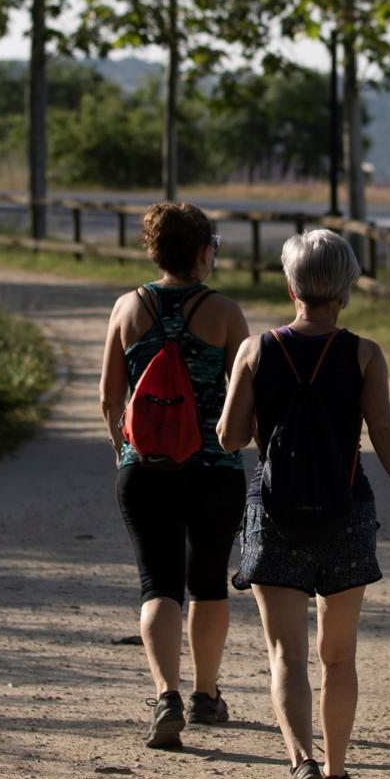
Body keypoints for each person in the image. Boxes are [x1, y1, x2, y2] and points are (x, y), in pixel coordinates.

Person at [216, 229, 390, 779]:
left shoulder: (256, 350)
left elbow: (231, 438)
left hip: (275, 511)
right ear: (347, 289)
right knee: (339, 656)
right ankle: (336, 775)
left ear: (291, 287)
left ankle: (300, 763)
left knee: (286, 655)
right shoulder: (363, 353)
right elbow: (383, 432)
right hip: (346, 511)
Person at [99, 202, 251, 750]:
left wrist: (126, 450)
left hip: (145, 469)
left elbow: (108, 397)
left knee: (157, 583)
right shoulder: (226, 314)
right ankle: (207, 694)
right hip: (214, 468)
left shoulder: (126, 307)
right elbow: (245, 396)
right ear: (203, 252)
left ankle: (167, 695)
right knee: (208, 579)